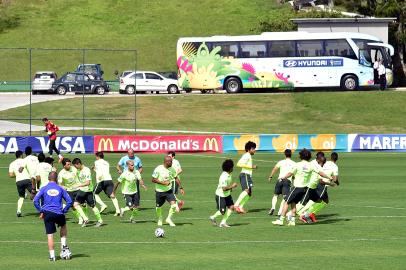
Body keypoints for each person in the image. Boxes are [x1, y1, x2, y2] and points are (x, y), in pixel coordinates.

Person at [272, 149, 333, 226]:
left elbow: (290, 173)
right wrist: (328, 177)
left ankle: (280, 220)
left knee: (286, 201)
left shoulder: (297, 165)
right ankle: (292, 221)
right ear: (309, 157)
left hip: (297, 187)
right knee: (293, 202)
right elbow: (320, 173)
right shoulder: (311, 165)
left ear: (300, 156)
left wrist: (283, 177)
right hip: (305, 188)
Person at [33, 171, 73, 261]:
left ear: (48, 178)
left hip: (47, 213)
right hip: (59, 213)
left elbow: (35, 201)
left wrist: (41, 210)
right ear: (56, 178)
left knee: (50, 235)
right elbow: (69, 201)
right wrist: (64, 210)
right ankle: (63, 245)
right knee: (63, 226)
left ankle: (52, 256)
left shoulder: (44, 188)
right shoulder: (61, 188)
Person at [300, 152, 339, 223]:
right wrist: (335, 182)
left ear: (330, 157)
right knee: (317, 200)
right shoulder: (335, 166)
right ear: (337, 159)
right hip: (322, 184)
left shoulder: (325, 162)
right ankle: (304, 214)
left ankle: (310, 214)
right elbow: (335, 179)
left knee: (325, 200)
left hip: (316, 181)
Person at [152, 155, 184, 227]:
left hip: (168, 191)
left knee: (173, 205)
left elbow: (176, 178)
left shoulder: (172, 169)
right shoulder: (158, 169)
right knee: (158, 207)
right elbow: (153, 179)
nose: (172, 162)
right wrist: (163, 183)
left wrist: (181, 188)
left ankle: (168, 219)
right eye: (171, 161)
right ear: (166, 162)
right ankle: (160, 218)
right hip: (159, 191)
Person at [72, 158, 103, 227]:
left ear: (79, 164)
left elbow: (88, 182)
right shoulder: (78, 170)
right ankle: (85, 219)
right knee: (76, 204)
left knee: (93, 206)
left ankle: (100, 220)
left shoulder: (86, 170)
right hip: (82, 191)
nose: (75, 167)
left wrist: (78, 185)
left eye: (75, 166)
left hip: (88, 191)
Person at [209, 159, 238, 228]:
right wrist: (232, 186)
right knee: (222, 211)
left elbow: (227, 186)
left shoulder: (229, 174)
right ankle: (212, 217)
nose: (233, 168)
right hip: (220, 195)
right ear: (230, 168)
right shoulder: (223, 176)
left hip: (227, 194)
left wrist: (230, 189)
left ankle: (223, 222)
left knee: (231, 207)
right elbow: (224, 188)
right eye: (232, 167)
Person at [268, 149, 296, 216]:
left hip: (279, 180)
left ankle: (273, 207)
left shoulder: (281, 162)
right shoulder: (294, 163)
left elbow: (275, 168)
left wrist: (270, 176)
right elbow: (294, 173)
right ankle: (280, 212)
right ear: (291, 154)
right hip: (287, 181)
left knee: (275, 195)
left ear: (285, 154)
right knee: (285, 198)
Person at [93, 152, 121, 216]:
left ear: (98, 157)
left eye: (96, 156)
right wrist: (95, 170)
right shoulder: (106, 163)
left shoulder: (96, 162)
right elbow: (102, 169)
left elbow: (99, 170)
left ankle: (102, 205)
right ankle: (118, 210)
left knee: (93, 194)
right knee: (112, 195)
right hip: (109, 180)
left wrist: (95, 171)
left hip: (102, 180)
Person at [234, 141, 257, 214]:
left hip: (247, 175)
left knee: (249, 193)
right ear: (249, 149)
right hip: (245, 174)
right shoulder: (246, 155)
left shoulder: (248, 156)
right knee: (247, 191)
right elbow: (239, 164)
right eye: (253, 149)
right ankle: (236, 205)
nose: (254, 150)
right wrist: (251, 167)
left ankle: (240, 207)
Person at [58, 158, 82, 225]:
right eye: (68, 164)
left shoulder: (74, 169)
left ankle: (84, 217)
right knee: (72, 205)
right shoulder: (61, 173)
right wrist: (63, 188)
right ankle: (80, 218)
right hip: (69, 191)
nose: (70, 165)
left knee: (82, 204)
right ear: (64, 166)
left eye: (70, 164)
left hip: (78, 189)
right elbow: (60, 184)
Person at [8, 150, 32, 217]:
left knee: (21, 197)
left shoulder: (12, 163)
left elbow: (10, 175)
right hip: (27, 180)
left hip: (19, 181)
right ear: (21, 155)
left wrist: (18, 175)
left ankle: (18, 210)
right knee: (35, 194)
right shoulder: (25, 161)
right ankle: (43, 210)